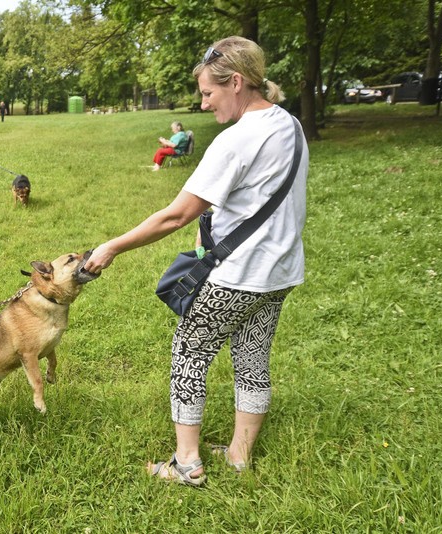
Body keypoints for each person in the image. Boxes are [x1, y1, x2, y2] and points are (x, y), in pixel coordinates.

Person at [83, 36, 308, 486]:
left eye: (208, 93)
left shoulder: (236, 139)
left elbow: (176, 215)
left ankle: (187, 464)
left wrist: (111, 247)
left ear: (236, 82)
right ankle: (239, 456)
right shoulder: (290, 124)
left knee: (189, 352)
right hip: (279, 272)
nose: (204, 104)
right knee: (252, 357)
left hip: (238, 274)